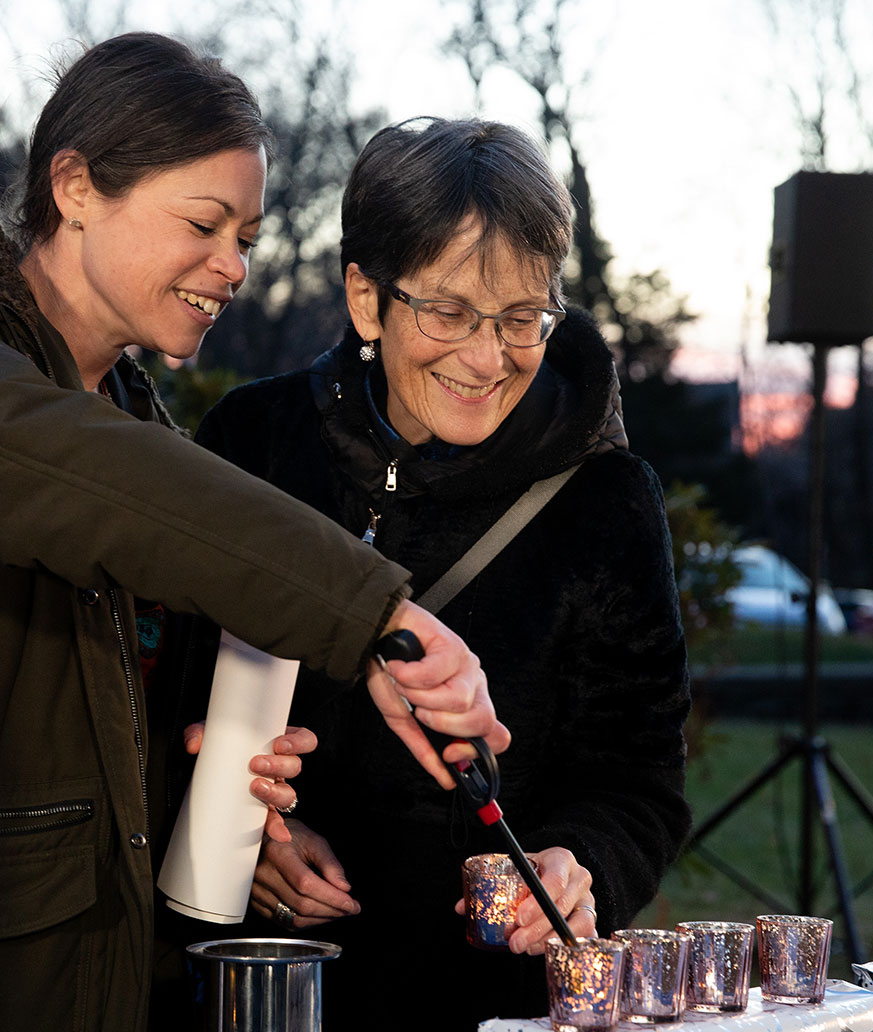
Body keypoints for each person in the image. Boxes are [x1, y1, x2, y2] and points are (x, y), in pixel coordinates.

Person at [0, 37, 506, 1032]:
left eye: (245, 233)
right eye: (203, 223)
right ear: (73, 185)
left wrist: (206, 793)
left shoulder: (128, 422)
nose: (233, 265)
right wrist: (375, 615)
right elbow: (78, 474)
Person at [191, 117, 692, 1027]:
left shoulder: (605, 499)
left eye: (521, 318)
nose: (487, 357)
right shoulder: (252, 443)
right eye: (451, 312)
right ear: (365, 299)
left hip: (486, 1000)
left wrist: (582, 865)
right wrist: (244, 836)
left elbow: (641, 782)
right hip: (258, 981)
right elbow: (161, 704)